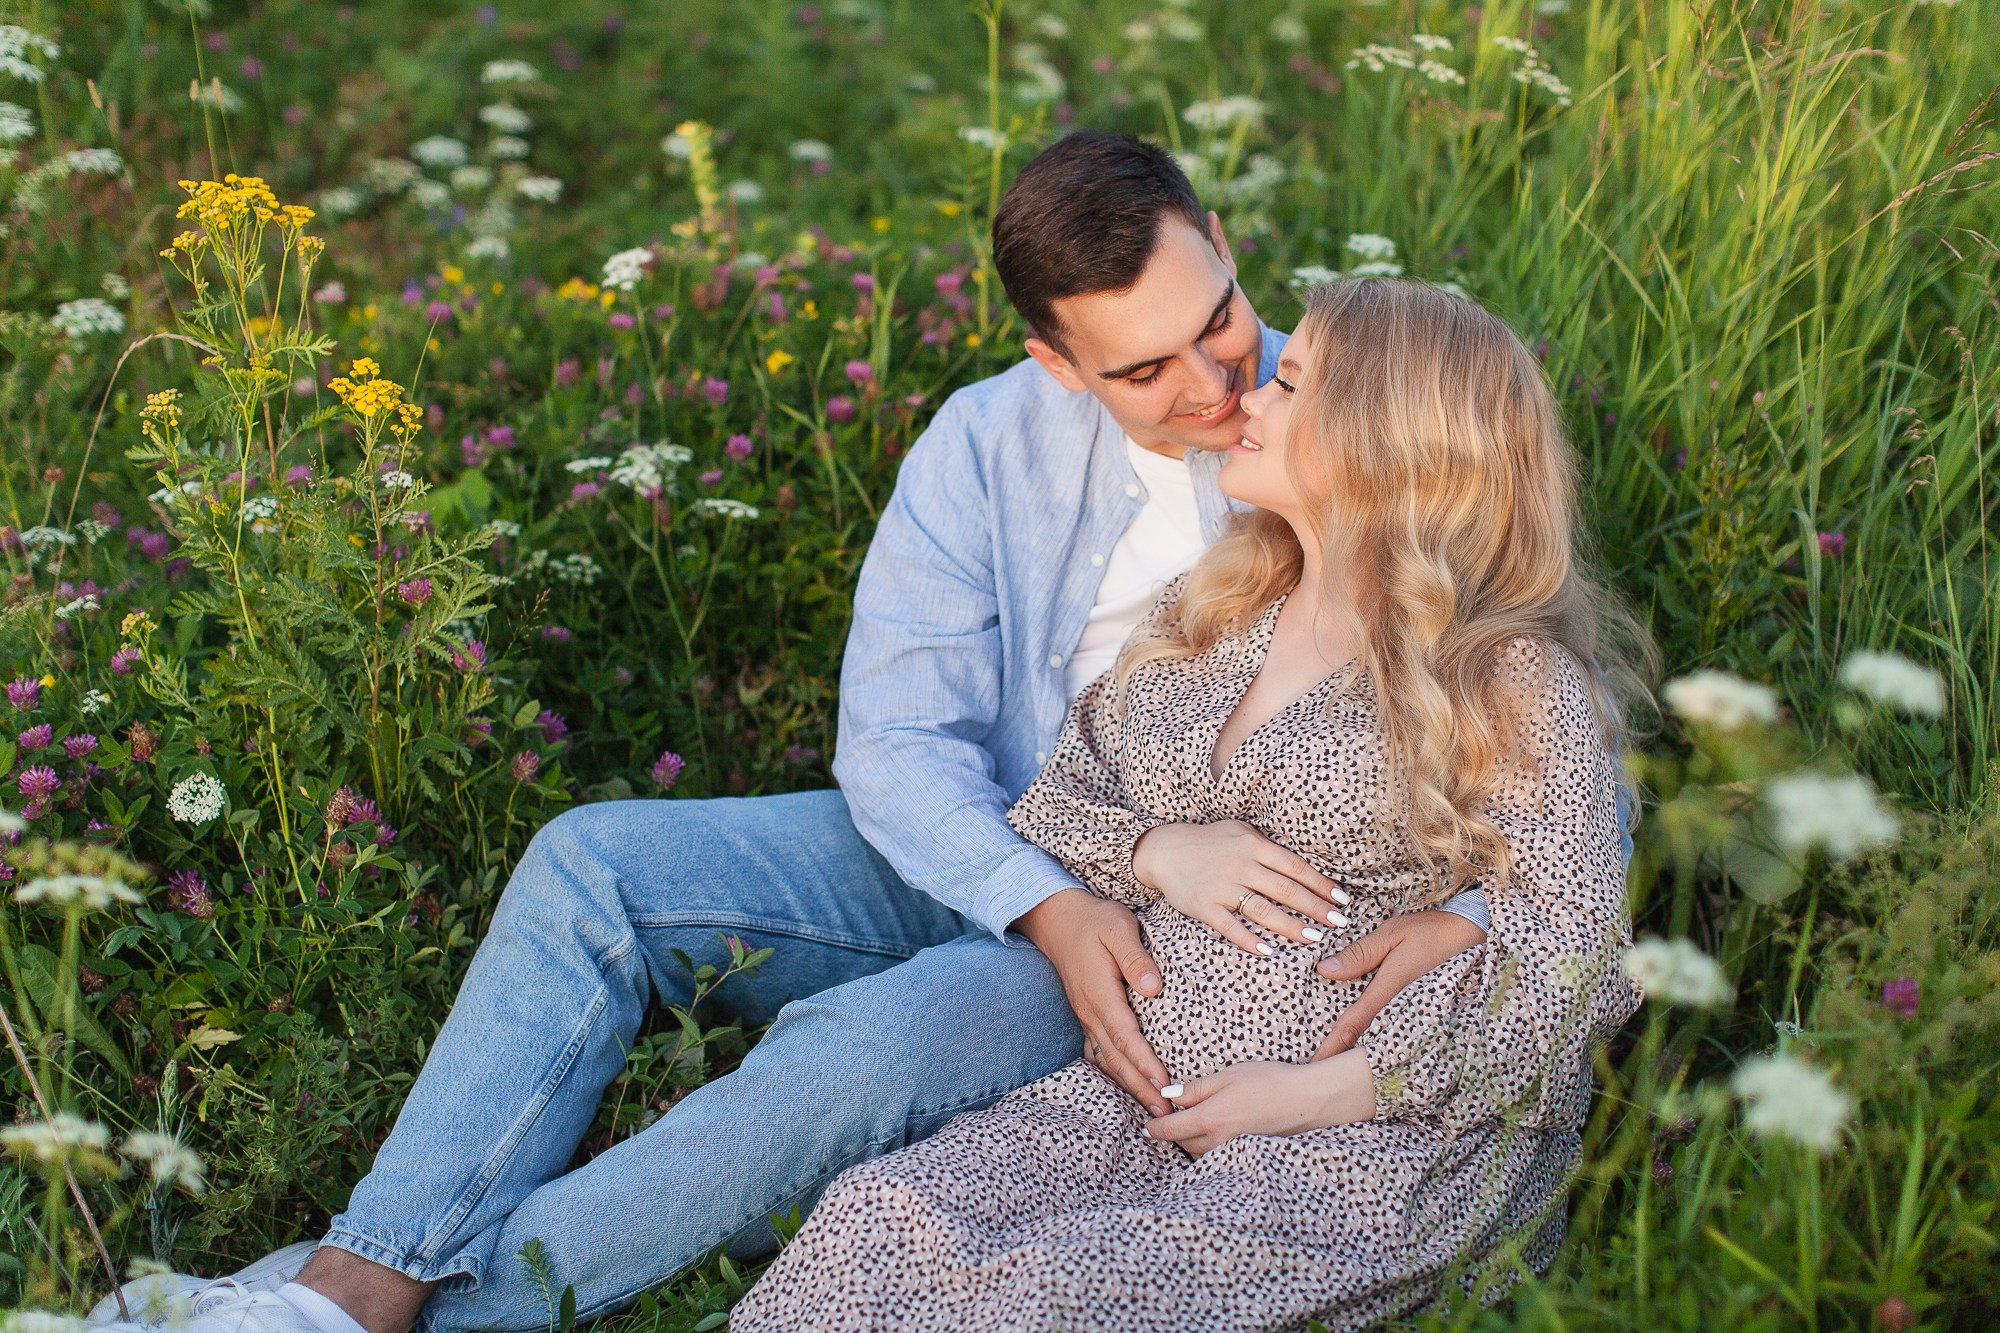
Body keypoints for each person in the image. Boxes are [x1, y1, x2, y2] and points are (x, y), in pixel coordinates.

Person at [96, 133, 1534, 1333]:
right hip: (998, 852)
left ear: (1223, 244)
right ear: (1052, 356)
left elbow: (1537, 706)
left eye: (1218, 321)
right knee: (592, 859)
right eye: (1143, 370)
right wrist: (1039, 897)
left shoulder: (1348, 415)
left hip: (1174, 950)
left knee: (855, 1053)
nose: (1214, 388)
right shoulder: (982, 443)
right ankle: (357, 1281)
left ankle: (361, 1314)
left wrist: (1471, 912)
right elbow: (899, 744)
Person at [728, 275, 1654, 1332]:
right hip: (1133, 1102)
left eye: (1290, 383)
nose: (1251, 395)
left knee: (1048, 1299)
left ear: (1381, 435)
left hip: (1369, 1137)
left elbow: (1575, 962)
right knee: (873, 1223)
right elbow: (1055, 800)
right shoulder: (1215, 608)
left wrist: (1330, 1090)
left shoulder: (1504, 677)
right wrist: (1155, 847)